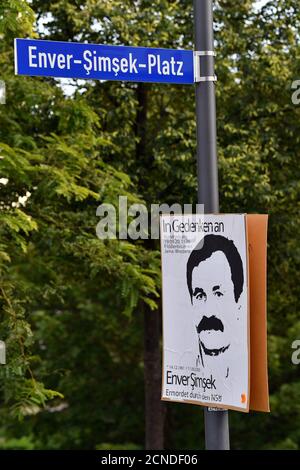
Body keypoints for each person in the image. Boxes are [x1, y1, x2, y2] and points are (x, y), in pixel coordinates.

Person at [186, 234, 244, 376]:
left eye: (218, 294)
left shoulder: (246, 375)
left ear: (238, 304)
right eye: (199, 296)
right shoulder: (184, 369)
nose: (208, 312)